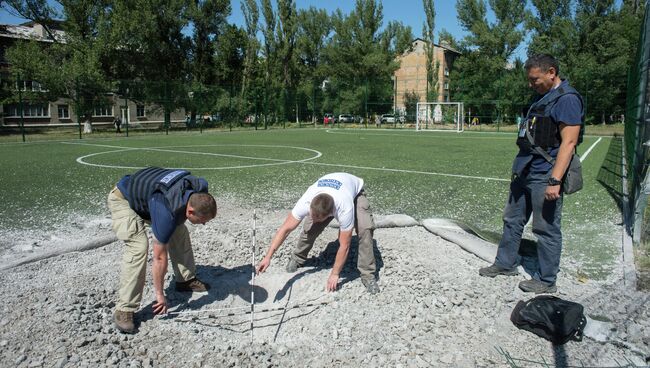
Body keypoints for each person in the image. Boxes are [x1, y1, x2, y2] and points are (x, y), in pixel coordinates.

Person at [479, 54, 584, 294]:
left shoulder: (567, 99)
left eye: (535, 79)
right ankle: (505, 263)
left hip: (545, 173)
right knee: (512, 219)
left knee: (545, 228)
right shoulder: (542, 97)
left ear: (551, 72)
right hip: (525, 169)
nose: (531, 84)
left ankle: (546, 280)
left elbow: (569, 143)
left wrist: (554, 180)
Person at [107, 167, 217, 333]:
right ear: (190, 211)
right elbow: (159, 257)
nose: (203, 224)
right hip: (125, 200)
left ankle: (185, 280)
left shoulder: (200, 188)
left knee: (179, 231)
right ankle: (124, 309)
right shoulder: (165, 211)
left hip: (151, 197)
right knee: (139, 247)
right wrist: (160, 295)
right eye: (202, 220)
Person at [256, 172, 380, 294]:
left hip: (355, 193)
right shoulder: (306, 201)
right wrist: (268, 257)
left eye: (318, 218)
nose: (314, 219)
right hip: (332, 188)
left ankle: (367, 275)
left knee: (365, 230)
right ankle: (297, 258)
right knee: (310, 227)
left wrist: (335, 273)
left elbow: (344, 245)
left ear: (329, 215)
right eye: (312, 214)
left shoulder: (344, 208)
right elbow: (285, 229)